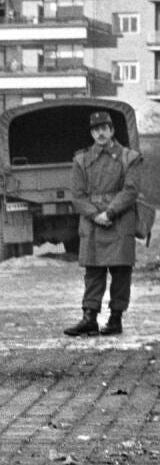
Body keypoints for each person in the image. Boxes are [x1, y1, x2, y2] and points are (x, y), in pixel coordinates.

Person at [64, 111, 141, 337]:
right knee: (93, 271)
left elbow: (131, 190)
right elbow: (77, 195)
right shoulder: (81, 159)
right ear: (91, 132)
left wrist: (110, 212)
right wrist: (95, 215)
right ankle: (89, 317)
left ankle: (115, 318)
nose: (100, 132)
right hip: (92, 221)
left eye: (104, 128)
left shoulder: (130, 157)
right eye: (95, 129)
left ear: (112, 130)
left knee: (121, 271)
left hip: (120, 219)